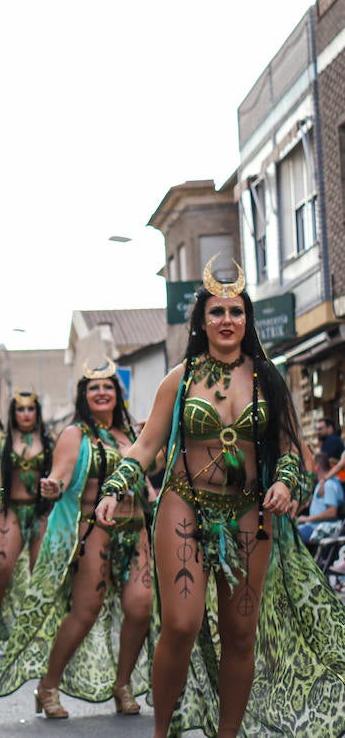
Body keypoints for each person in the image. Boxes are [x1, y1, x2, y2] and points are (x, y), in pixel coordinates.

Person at [94, 258, 345, 736]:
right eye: (216, 312)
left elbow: (292, 447)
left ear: (247, 319)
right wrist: (114, 488)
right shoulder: (180, 379)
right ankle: (161, 732)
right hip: (184, 504)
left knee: (240, 634)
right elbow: (146, 446)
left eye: (236, 311)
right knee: (182, 625)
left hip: (249, 512)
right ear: (202, 321)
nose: (227, 320)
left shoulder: (268, 378)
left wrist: (284, 482)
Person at [0, 360, 154, 719]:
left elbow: (147, 476)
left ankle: (122, 684)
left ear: (117, 393)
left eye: (107, 386)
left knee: (141, 606)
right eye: (94, 387)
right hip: (94, 530)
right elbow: (60, 474)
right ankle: (48, 685)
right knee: (85, 610)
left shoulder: (131, 434)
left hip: (135, 528)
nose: (101, 392)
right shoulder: (74, 434)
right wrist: (54, 486)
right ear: (84, 395)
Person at [0, 390, 52, 656]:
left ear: (37, 412)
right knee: (1, 567)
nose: (26, 414)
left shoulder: (48, 440)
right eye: (21, 409)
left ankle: (38, 634)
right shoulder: (3, 441)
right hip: (12, 511)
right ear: (13, 412)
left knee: (40, 571)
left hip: (39, 512)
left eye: (31, 409)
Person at [299, 452, 344, 541]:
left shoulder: (329, 484)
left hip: (318, 528)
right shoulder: (321, 483)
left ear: (317, 467)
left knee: (287, 536)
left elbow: (332, 512)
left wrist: (307, 519)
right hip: (312, 526)